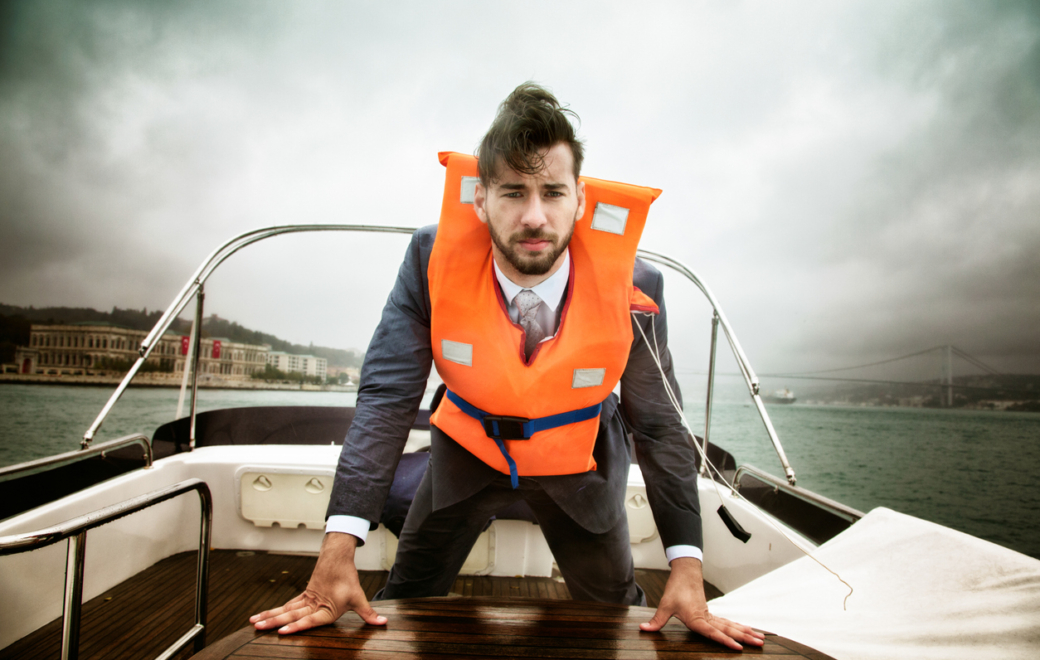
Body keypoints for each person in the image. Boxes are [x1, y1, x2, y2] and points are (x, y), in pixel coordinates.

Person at [251, 83, 764, 651]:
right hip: (467, 451)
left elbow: (660, 425)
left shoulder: (636, 287)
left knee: (618, 613)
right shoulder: (428, 260)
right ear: (480, 199)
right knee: (404, 597)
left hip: (580, 462)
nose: (535, 217)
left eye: (553, 192)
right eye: (514, 192)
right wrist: (337, 549)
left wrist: (687, 569)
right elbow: (387, 397)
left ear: (581, 199)